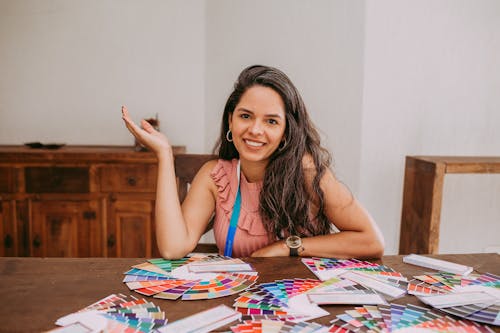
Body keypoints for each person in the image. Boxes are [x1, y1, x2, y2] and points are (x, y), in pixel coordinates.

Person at [122, 65, 384, 259]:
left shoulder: (306, 172)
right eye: (246, 116)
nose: (255, 130)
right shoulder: (216, 177)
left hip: (298, 308)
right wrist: (164, 155)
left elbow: (371, 241)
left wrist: (285, 247)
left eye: (271, 121)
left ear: (286, 130)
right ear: (230, 120)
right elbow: (172, 247)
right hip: (237, 304)